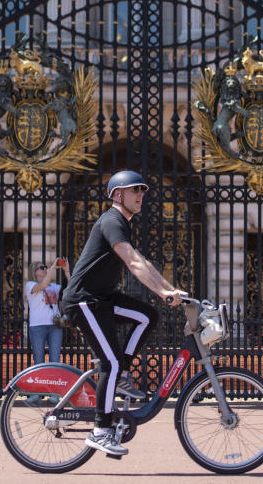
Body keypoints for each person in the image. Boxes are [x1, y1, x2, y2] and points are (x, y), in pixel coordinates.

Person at [59, 170, 186, 456]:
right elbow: (132, 262)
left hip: (102, 298)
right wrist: (164, 292)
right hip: (84, 301)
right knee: (110, 364)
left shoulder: (122, 224)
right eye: (134, 190)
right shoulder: (112, 220)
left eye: (142, 190)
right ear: (118, 195)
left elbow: (143, 262)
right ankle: (101, 430)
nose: (141, 195)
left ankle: (124, 375)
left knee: (148, 316)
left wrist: (171, 289)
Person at [25, 259, 68, 365]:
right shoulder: (30, 285)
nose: (45, 269)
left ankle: (53, 380)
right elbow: (42, 286)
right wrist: (52, 268)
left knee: (55, 360)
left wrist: (67, 271)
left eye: (45, 267)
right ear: (34, 272)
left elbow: (72, 287)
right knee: (39, 360)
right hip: (38, 326)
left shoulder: (54, 286)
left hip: (55, 326)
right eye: (41, 267)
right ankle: (41, 381)